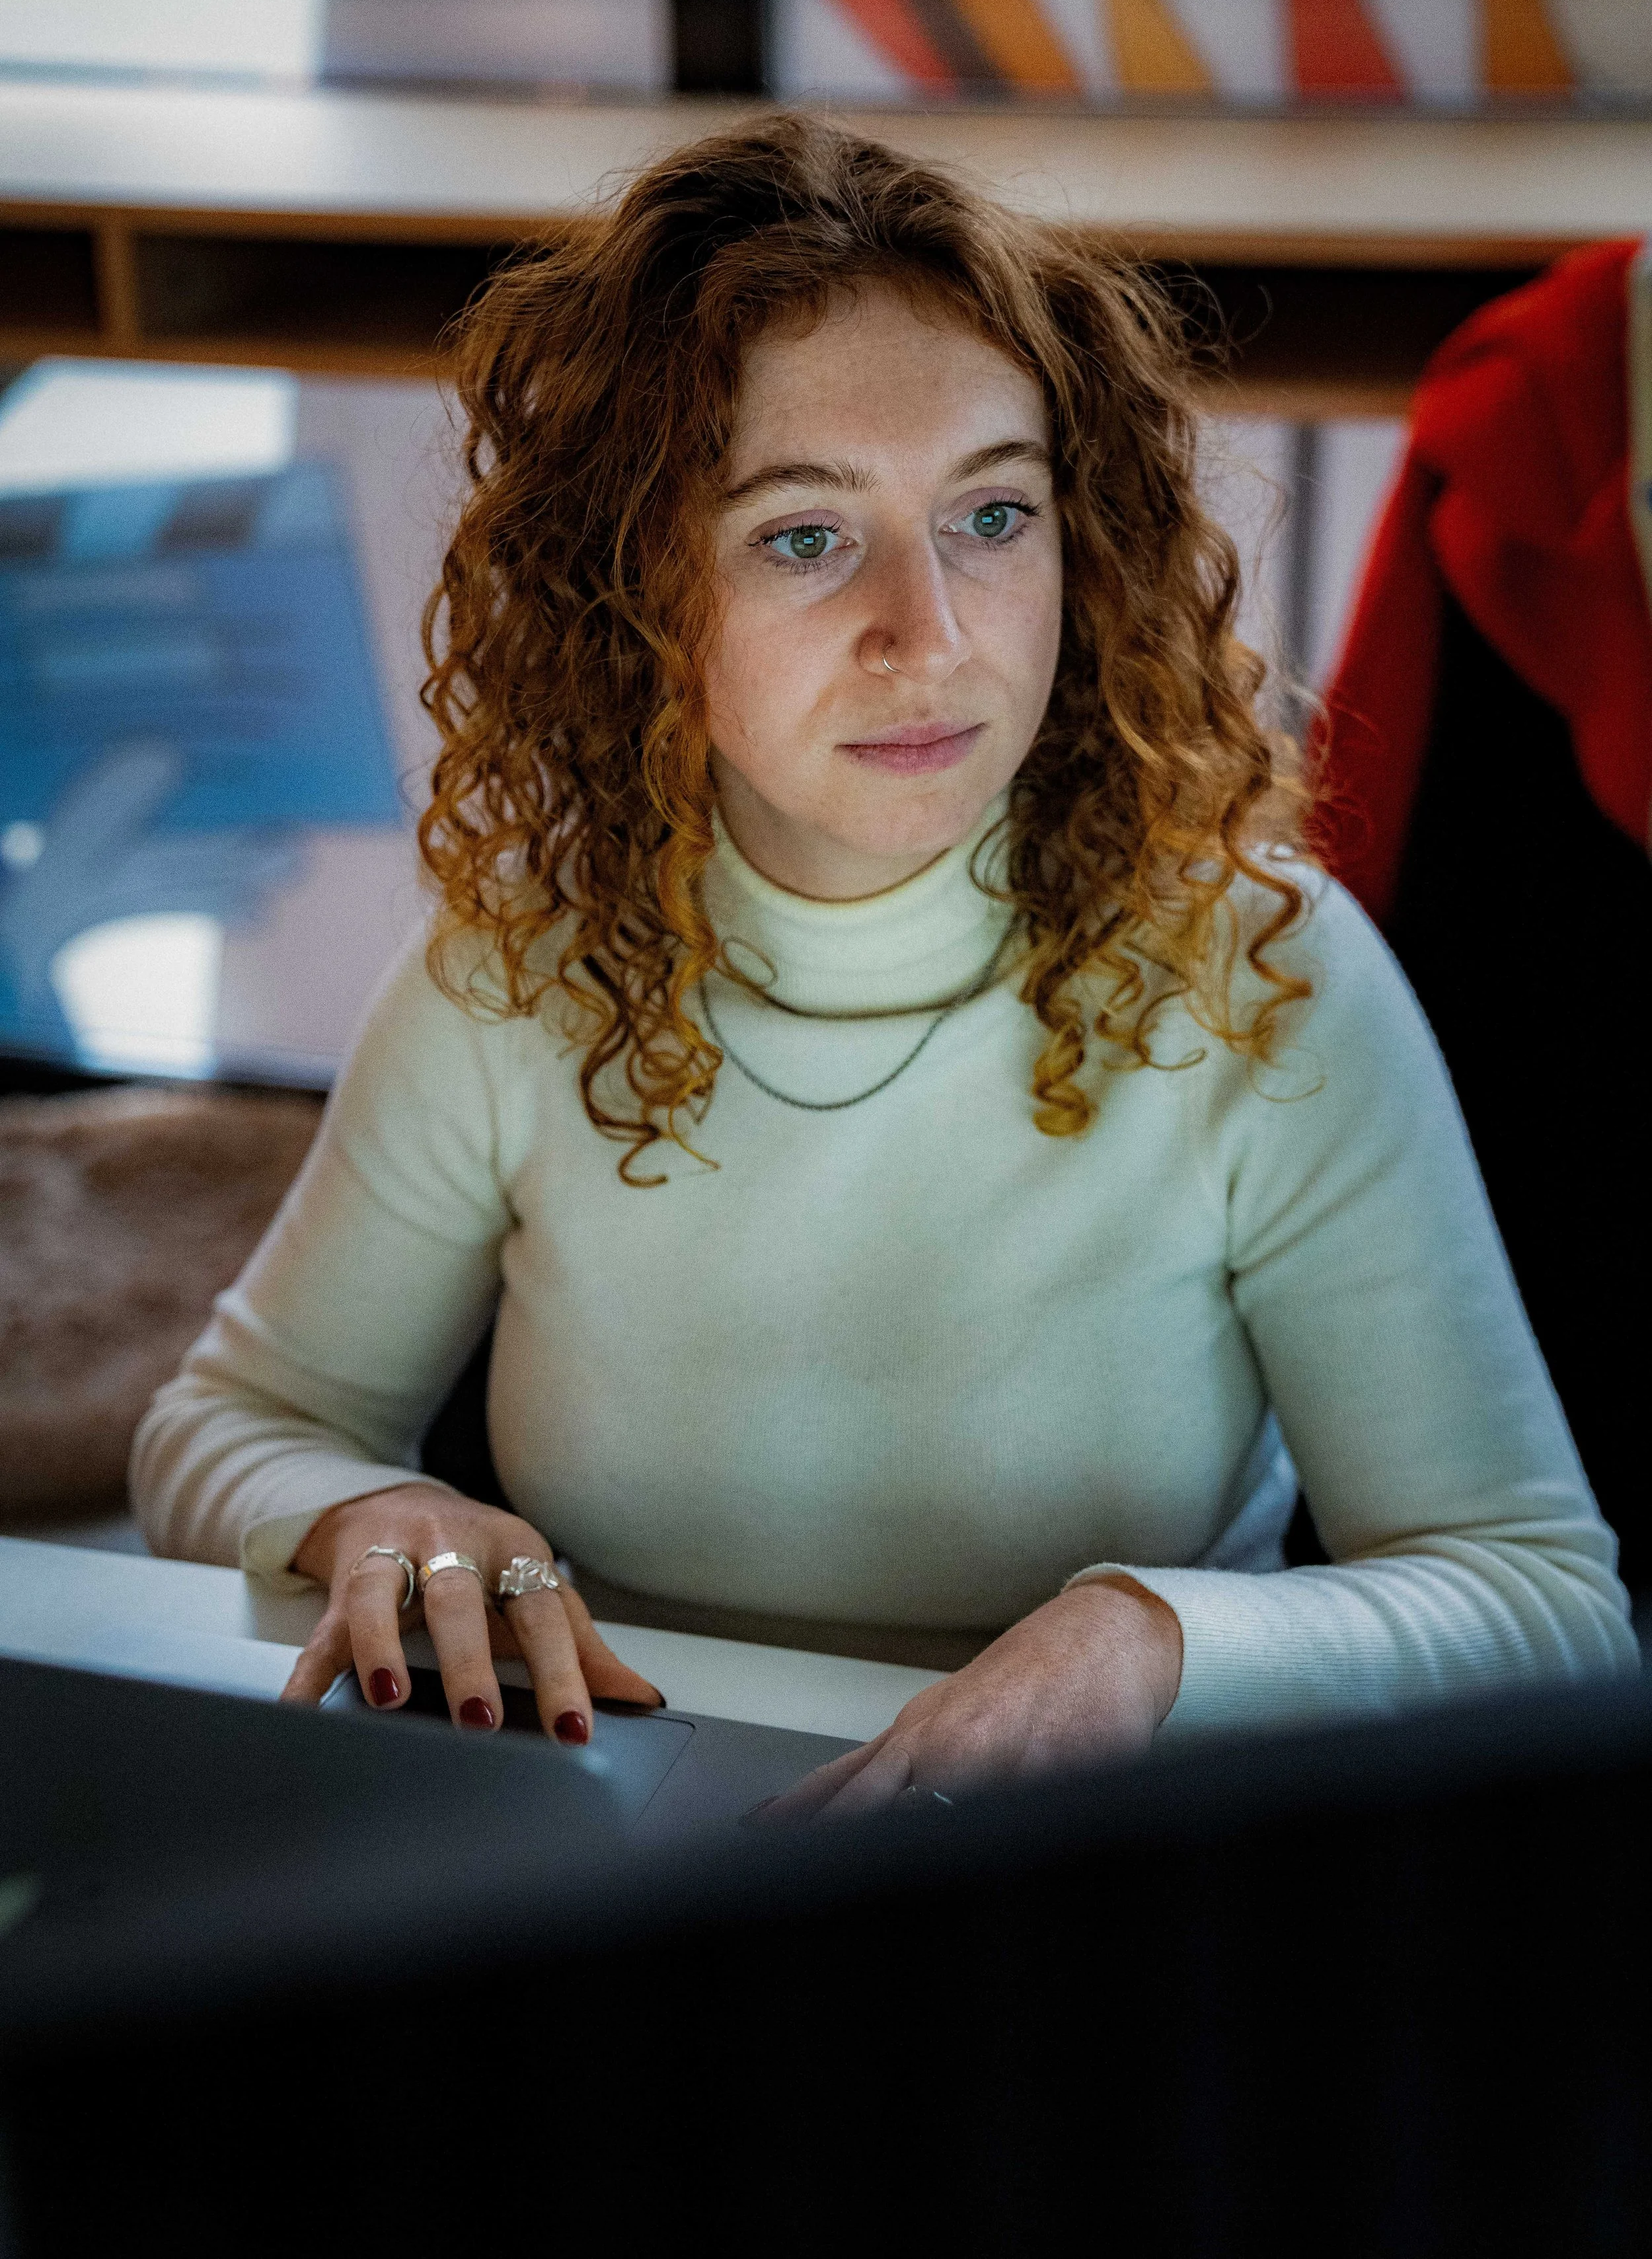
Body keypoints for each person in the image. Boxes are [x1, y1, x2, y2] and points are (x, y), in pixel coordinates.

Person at [131, 118, 1633, 1816]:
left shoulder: (1266, 975)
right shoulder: (520, 968)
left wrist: (1150, 1642)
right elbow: (226, 1424)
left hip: (1099, 1874)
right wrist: (371, 1513)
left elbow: (1540, 1600)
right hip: (625, 1850)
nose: (931, 634)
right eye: (803, 535)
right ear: (633, 587)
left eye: (991, 514)